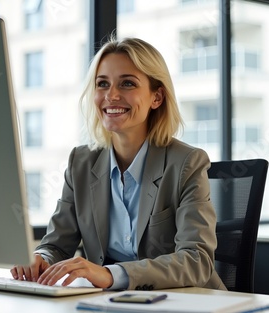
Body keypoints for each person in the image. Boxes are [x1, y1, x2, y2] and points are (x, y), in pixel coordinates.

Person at [11, 36, 226, 291]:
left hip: (185, 302)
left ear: (156, 98)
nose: (111, 95)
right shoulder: (81, 162)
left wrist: (111, 275)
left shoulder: (187, 163)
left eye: (127, 84)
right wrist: (41, 260)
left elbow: (196, 261)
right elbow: (56, 245)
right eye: (102, 84)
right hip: (110, 303)